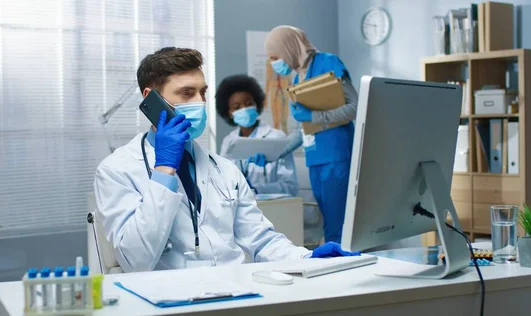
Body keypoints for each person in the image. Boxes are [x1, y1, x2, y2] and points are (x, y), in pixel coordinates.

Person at [93, 47, 358, 273]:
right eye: (186, 93)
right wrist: (164, 170)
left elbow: (261, 240)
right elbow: (135, 261)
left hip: (235, 293)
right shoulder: (117, 170)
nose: (200, 102)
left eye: (203, 92)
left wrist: (308, 258)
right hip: (168, 299)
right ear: (151, 99)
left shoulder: (224, 169)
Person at [264, 25, 358, 244]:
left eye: (275, 57)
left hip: (336, 156)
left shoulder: (328, 62)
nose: (276, 64)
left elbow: (354, 108)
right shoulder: (298, 79)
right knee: (329, 225)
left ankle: (344, 273)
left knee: (338, 227)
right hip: (315, 158)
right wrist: (273, 154)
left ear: (288, 48)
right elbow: (303, 129)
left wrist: (314, 116)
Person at [216, 74, 298, 196]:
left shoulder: (276, 138)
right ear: (229, 113)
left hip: (273, 208)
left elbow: (290, 187)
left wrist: (257, 189)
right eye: (236, 107)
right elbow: (223, 181)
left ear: (257, 104)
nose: (244, 109)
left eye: (249, 103)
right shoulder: (228, 141)